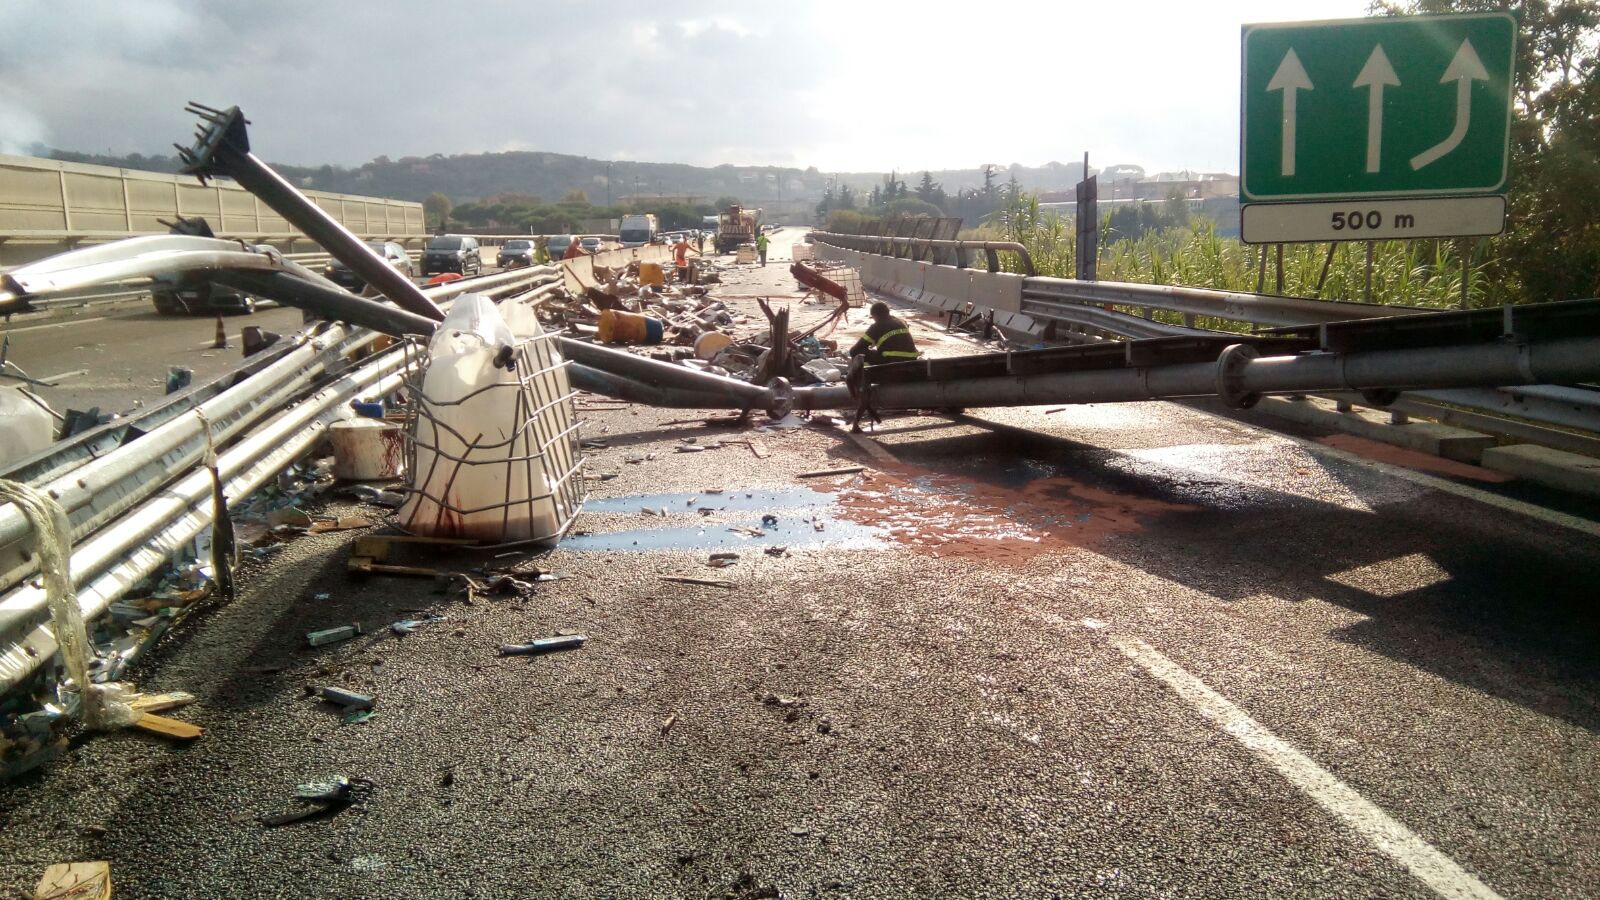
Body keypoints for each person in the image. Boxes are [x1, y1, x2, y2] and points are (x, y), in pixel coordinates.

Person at [849, 301, 919, 365]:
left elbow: (857, 348)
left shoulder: (877, 326)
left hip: (890, 361)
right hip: (912, 360)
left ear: (875, 315)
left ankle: (867, 374)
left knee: (856, 353)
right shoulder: (901, 322)